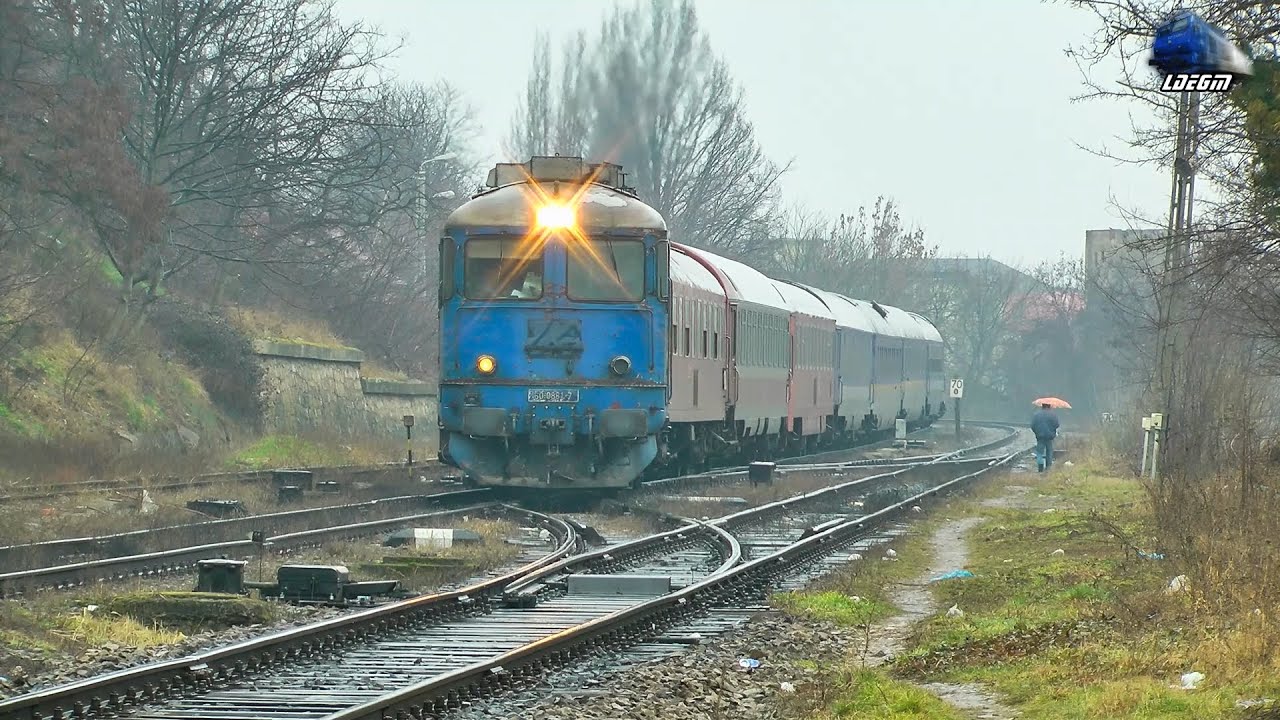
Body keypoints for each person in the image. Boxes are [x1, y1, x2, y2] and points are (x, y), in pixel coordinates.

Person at [1031, 402, 1060, 472]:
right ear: (1049, 406)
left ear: (1042, 406)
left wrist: (1037, 432)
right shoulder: (1053, 415)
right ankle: (1048, 468)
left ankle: (1040, 468)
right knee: (1049, 451)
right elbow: (1057, 425)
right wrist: (1052, 430)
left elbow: (1032, 426)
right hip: (1049, 437)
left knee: (1039, 452)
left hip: (1040, 437)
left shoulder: (1036, 415)